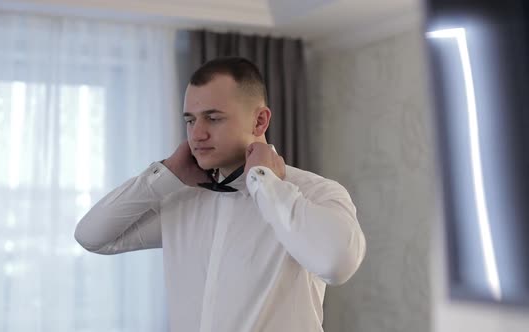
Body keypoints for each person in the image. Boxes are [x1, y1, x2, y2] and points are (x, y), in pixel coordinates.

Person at [74, 56, 366, 332]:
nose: (197, 134)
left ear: (260, 122)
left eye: (213, 118)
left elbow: (337, 264)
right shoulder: (181, 201)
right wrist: (162, 175)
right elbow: (92, 236)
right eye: (190, 120)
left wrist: (267, 185)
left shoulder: (315, 192)